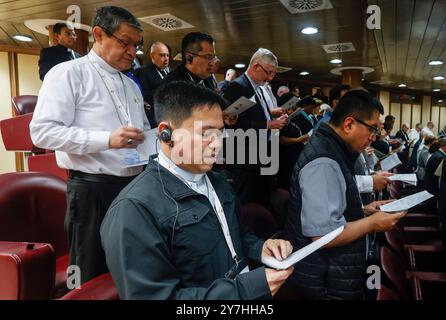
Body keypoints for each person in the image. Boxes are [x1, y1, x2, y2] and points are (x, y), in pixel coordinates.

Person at [100, 81, 293, 299]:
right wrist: (244, 291)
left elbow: (237, 234)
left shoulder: (218, 182)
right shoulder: (134, 209)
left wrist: (261, 248)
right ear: (166, 133)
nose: (216, 144)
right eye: (205, 134)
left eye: (220, 133)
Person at [30, 6, 151, 284]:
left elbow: (141, 132)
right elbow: (42, 133)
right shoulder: (67, 74)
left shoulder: (132, 84)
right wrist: (107, 139)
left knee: (128, 269)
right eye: (125, 42)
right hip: (91, 191)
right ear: (98, 34)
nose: (133, 52)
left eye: (136, 45)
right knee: (88, 273)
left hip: (134, 187)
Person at [284, 90, 406, 300]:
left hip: (334, 273)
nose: (373, 137)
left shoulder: (334, 149)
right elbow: (324, 235)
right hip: (325, 280)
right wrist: (372, 224)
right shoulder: (323, 161)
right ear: (349, 124)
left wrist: (364, 210)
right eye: (371, 129)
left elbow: (331, 206)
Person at [222, 48, 288, 205]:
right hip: (245, 158)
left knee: (261, 202)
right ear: (256, 67)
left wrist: (272, 113)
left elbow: (252, 114)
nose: (270, 77)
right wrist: (268, 125)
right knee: (246, 206)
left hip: (260, 156)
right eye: (269, 72)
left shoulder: (257, 87)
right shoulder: (238, 87)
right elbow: (234, 124)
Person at [135, 41, 171, 127]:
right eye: (162, 55)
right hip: (153, 121)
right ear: (152, 56)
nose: (166, 58)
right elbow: (142, 95)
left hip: (169, 118)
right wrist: (167, 91)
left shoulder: (170, 72)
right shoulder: (142, 71)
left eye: (167, 55)